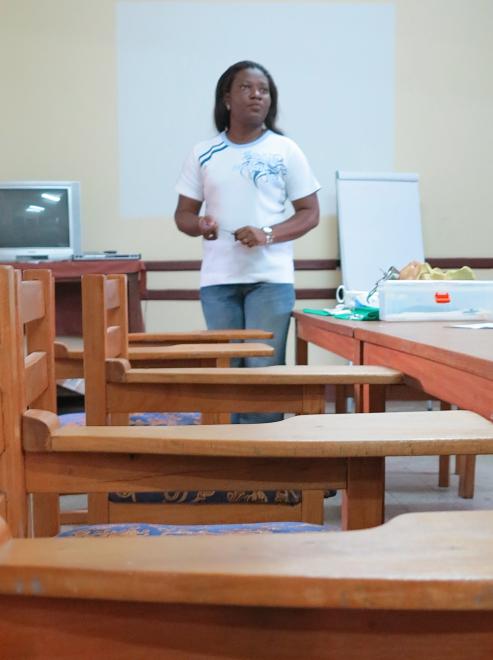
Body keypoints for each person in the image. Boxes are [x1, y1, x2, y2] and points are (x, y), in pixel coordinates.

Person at [175, 60, 320, 423]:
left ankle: (266, 471)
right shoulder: (203, 153)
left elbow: (309, 213)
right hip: (219, 281)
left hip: (270, 281)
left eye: (264, 89)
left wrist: (267, 234)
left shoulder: (285, 149)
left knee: (264, 373)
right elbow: (183, 216)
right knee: (226, 374)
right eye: (246, 87)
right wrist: (200, 224)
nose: (257, 95)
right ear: (226, 97)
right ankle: (229, 469)